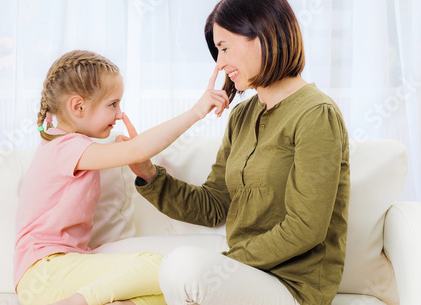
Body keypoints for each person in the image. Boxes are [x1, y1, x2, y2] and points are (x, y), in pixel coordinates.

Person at [125, 0, 351, 304]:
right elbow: (216, 204)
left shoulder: (315, 114)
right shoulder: (242, 115)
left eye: (225, 48)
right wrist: (150, 176)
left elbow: (305, 227)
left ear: (264, 35)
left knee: (183, 267)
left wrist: (226, 262)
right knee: (144, 266)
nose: (219, 63)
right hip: (242, 272)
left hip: (293, 285)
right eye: (217, 51)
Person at [13, 50, 229, 305]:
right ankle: (79, 302)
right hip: (45, 273)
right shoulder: (65, 147)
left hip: (59, 273)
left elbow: (134, 153)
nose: (119, 114)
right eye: (113, 104)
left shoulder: (66, 145)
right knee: (161, 265)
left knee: (171, 294)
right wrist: (197, 111)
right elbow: (137, 150)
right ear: (78, 106)